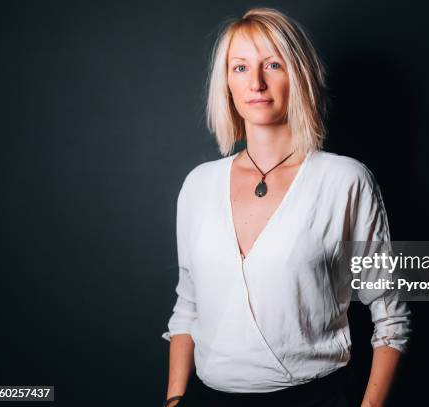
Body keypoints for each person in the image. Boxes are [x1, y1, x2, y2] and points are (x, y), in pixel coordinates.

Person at [162, 7, 411, 407]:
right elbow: (187, 307)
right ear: (226, 82)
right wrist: (175, 399)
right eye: (240, 67)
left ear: (299, 74)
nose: (256, 83)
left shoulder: (344, 181)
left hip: (316, 396)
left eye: (272, 64)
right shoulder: (198, 185)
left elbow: (391, 321)